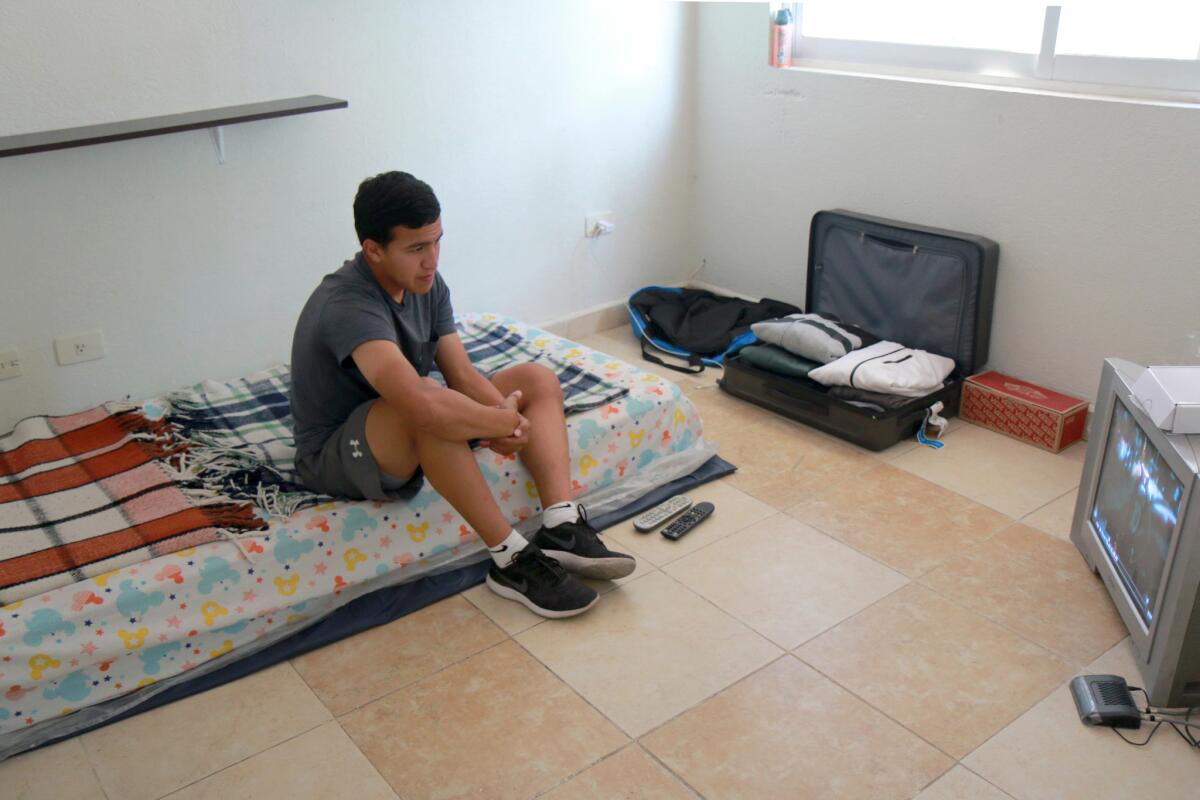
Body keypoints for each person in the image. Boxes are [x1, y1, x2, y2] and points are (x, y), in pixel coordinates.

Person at [289, 171, 634, 618]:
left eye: (436, 242)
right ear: (373, 249)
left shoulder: (426, 283)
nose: (431, 259)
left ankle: (561, 523)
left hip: (402, 416)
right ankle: (510, 559)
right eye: (416, 248)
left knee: (536, 379)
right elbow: (419, 402)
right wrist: (500, 422)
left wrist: (504, 413)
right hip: (336, 451)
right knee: (428, 410)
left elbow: (462, 373)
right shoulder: (346, 304)